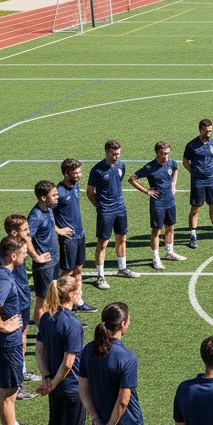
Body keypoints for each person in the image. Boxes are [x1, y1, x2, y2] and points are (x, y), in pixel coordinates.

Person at [0, 235, 41, 425]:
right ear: (12, 255)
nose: (27, 254)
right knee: (8, 394)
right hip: (6, 344)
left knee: (11, 390)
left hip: (7, 342)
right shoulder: (4, 280)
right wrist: (6, 327)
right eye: (24, 252)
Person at [34, 274, 87, 425]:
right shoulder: (73, 324)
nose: (81, 294)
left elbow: (38, 348)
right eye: (79, 290)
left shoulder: (47, 317)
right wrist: (53, 382)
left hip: (55, 385)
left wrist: (47, 377)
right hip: (72, 387)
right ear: (71, 294)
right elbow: (69, 362)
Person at [86, 139, 139, 289]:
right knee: (103, 243)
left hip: (120, 208)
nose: (117, 157)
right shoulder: (97, 170)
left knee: (122, 238)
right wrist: (100, 206)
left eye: (118, 154)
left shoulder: (121, 165)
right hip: (106, 210)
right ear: (107, 152)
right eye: (114, 154)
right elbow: (90, 192)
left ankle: (122, 268)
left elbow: (118, 182)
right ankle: (100, 276)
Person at [130, 142, 188, 270]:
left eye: (167, 153)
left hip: (170, 201)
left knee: (170, 227)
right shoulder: (150, 167)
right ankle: (155, 258)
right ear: (157, 153)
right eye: (163, 153)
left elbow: (175, 169)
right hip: (157, 203)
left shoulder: (171, 163)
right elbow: (132, 179)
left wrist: (173, 184)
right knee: (157, 230)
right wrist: (147, 191)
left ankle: (170, 252)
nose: (166, 156)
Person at [2, 213, 39, 393]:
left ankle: (22, 371)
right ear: (14, 233)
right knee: (16, 344)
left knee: (23, 339)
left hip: (23, 300)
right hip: (15, 305)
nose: (29, 232)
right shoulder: (9, 256)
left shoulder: (19, 248)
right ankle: (16, 386)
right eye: (25, 230)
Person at [55, 158, 96, 313]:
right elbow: (46, 213)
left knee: (79, 269)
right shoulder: (58, 192)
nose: (79, 175)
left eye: (80, 171)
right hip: (68, 239)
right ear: (66, 173)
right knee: (66, 273)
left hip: (80, 234)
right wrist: (58, 230)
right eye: (76, 172)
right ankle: (61, 305)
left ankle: (77, 300)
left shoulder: (76, 186)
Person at [183, 119, 213, 247]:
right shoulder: (191, 145)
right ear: (200, 130)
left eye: (210, 130)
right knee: (195, 208)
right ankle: (193, 236)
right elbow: (185, 162)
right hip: (198, 182)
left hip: (211, 180)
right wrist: (195, 173)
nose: (209, 133)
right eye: (206, 131)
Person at [27, 180, 65, 326]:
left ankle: (52, 324)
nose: (57, 197)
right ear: (43, 197)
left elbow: (50, 222)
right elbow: (26, 238)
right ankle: (41, 333)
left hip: (54, 260)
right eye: (54, 195)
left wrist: (58, 230)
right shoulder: (35, 216)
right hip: (44, 266)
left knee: (53, 295)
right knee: (42, 299)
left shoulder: (49, 208)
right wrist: (36, 257)